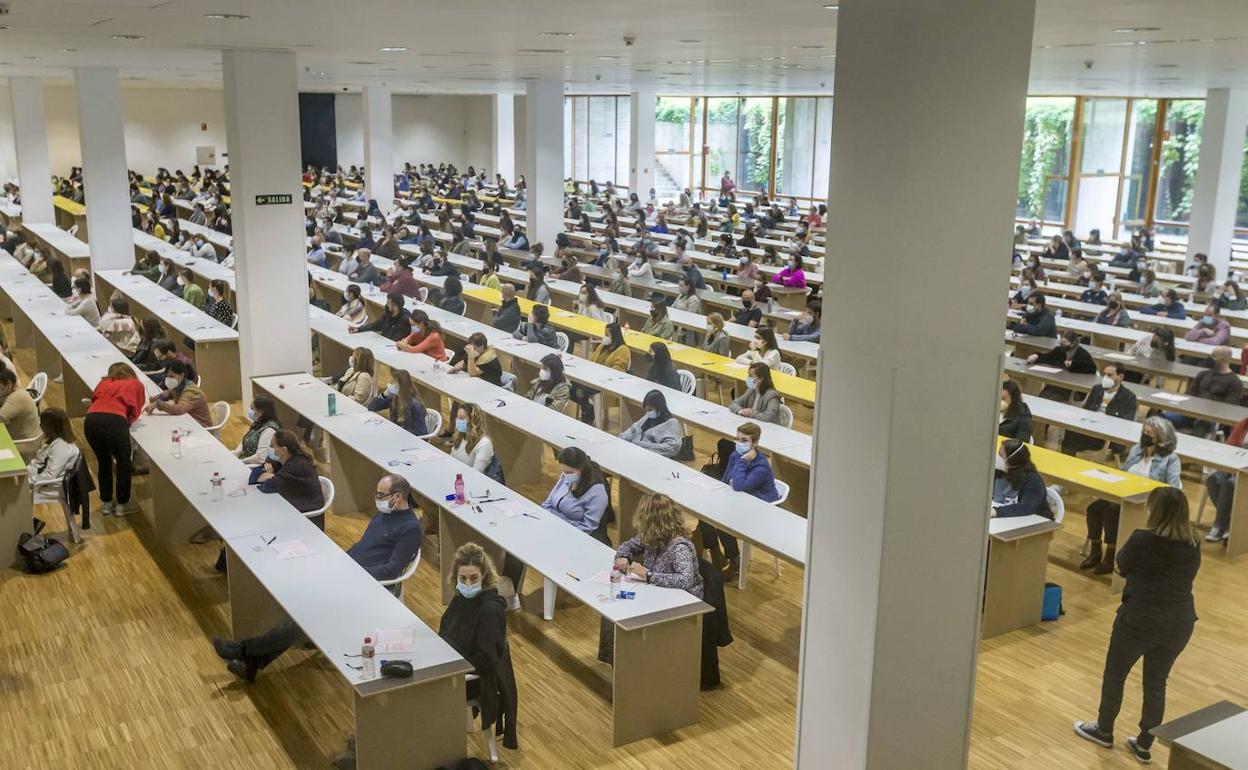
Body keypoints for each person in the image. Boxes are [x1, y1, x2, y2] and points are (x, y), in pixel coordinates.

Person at [212, 474, 422, 682]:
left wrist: (355, 573)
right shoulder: (383, 515)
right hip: (348, 574)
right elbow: (363, 547)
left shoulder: (410, 528)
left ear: (398, 497)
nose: (377, 498)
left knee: (307, 615)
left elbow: (392, 569)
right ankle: (252, 663)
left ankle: (243, 650)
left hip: (369, 586)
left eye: (381, 494)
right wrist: (340, 561)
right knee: (303, 607)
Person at [1074, 487, 1200, 764]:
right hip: (1179, 622)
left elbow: (1120, 565)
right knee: (1156, 682)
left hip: (1139, 618)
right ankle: (1144, 744)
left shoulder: (1143, 539)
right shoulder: (1193, 543)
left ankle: (1104, 730)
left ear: (1156, 511)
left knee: (1115, 674)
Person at [599, 493, 702, 664]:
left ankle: (634, 662)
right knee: (612, 609)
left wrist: (648, 575)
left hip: (679, 600)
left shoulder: (679, 546)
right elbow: (628, 545)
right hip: (657, 590)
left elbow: (685, 580)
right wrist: (623, 556)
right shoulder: (651, 536)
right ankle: (617, 662)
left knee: (624, 612)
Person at [436, 543, 519, 752]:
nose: (467, 583)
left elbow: (484, 661)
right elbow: (445, 630)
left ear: (485, 577)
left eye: (473, 578)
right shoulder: (461, 598)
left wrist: (449, 668)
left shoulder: (490, 610)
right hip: (453, 666)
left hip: (475, 680)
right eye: (462, 579)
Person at [1083, 416, 1182, 574]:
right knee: (1094, 508)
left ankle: (1110, 555)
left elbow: (1173, 489)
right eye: (1144, 431)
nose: (1145, 435)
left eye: (1150, 434)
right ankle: (1095, 551)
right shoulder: (1137, 450)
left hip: (1148, 502)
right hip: (1124, 494)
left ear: (1162, 438)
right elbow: (1124, 473)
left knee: (1111, 512)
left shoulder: (1171, 459)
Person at [696, 423, 780, 579]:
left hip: (761, 509)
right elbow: (726, 480)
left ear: (754, 444)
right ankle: (716, 553)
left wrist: (743, 461)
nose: (739, 443)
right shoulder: (735, 455)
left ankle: (734, 560)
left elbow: (739, 485)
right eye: (737, 438)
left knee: (723, 521)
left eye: (744, 440)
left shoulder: (761, 466)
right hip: (741, 502)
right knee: (705, 512)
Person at [84, 362, 147, 517]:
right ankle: (122, 505)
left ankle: (106, 503)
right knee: (123, 462)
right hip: (115, 422)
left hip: (91, 421)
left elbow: (94, 400)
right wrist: (127, 422)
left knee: (104, 461)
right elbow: (136, 410)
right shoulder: (135, 384)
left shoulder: (103, 382)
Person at [1060, 363, 1138, 456]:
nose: (1105, 378)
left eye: (1109, 375)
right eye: (1104, 374)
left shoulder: (1129, 397)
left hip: (1107, 434)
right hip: (1089, 427)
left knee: (1075, 439)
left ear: (1120, 377)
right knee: (1070, 432)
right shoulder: (1097, 389)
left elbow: (1126, 423)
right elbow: (1086, 410)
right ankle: (1068, 462)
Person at [253, 429, 326, 519]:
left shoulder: (297, 465)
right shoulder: (282, 459)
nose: (269, 448)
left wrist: (272, 476)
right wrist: (273, 476)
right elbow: (255, 474)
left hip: (307, 516)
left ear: (283, 450)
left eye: (272, 445)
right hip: (292, 506)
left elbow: (267, 486)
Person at [541, 447, 609, 533]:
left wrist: (560, 524)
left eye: (570, 472)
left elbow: (588, 527)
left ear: (582, 468)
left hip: (572, 534)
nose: (566, 476)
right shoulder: (565, 476)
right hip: (552, 525)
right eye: (563, 472)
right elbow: (548, 503)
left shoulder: (597, 491)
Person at [25, 408, 81, 505]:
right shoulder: (54, 441)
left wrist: (28, 482)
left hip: (45, 486)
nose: (40, 425)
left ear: (50, 426)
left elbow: (50, 475)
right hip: (33, 476)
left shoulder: (61, 447)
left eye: (42, 422)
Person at [990, 440, 1053, 519]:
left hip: (1034, 522)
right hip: (1008, 520)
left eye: (1001, 455)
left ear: (1012, 460)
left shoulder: (1033, 480)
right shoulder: (999, 472)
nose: (997, 458)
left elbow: (1026, 507)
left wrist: (996, 512)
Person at [144, 360, 211, 426]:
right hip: (188, 421)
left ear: (182, 375)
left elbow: (179, 409)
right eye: (167, 376)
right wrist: (156, 398)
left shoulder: (191, 391)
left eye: (171, 376)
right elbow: (169, 393)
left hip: (201, 427)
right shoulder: (180, 385)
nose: (168, 379)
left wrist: (157, 404)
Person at [619, 390, 682, 458]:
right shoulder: (648, 417)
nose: (647, 412)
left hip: (651, 457)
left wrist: (641, 445)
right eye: (646, 410)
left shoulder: (671, 424)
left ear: (660, 408)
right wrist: (623, 438)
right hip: (635, 451)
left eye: (650, 410)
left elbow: (672, 447)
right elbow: (633, 429)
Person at [369, 370, 429, 436]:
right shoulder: (394, 397)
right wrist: (385, 394)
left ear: (401, 385)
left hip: (409, 439)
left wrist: (398, 431)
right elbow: (372, 407)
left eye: (392, 383)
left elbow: (420, 431)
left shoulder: (416, 405)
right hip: (396, 435)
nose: (390, 385)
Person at [233, 396, 281, 465]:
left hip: (254, 465)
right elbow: (246, 440)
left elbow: (259, 458)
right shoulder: (258, 422)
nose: (250, 410)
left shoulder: (269, 430)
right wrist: (235, 453)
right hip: (245, 459)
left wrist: (240, 461)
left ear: (261, 412)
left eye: (252, 408)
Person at [450, 404, 496, 474]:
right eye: (457, 417)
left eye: (461, 418)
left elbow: (476, 473)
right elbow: (451, 459)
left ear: (473, 421)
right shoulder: (460, 435)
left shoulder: (484, 443)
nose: (457, 420)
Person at [0, 366, 40, 441]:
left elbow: (1, 417)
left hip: (24, 444)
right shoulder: (14, 392)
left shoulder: (17, 397)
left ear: (8, 384)